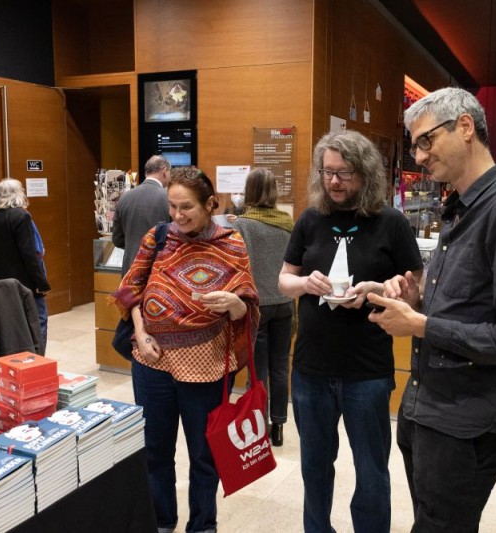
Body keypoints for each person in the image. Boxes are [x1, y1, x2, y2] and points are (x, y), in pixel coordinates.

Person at [368, 87, 496, 531]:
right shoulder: (462, 207)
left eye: (425, 140)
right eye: (414, 144)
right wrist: (417, 301)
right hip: (430, 409)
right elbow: (469, 306)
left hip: (467, 423)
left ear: (465, 127)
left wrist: (421, 325)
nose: (418, 156)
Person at [278, 130, 423, 532]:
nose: (334, 182)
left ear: (366, 173)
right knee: (315, 469)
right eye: (327, 173)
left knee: (372, 471)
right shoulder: (310, 219)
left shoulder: (390, 223)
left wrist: (379, 290)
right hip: (311, 369)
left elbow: (417, 292)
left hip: (368, 370)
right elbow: (283, 282)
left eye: (344, 173)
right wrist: (306, 283)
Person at [114, 166, 260, 533]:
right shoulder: (158, 236)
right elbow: (131, 289)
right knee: (155, 452)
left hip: (207, 368)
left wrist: (233, 303)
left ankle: (202, 525)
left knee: (204, 455)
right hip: (152, 362)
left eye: (187, 208)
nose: (177, 217)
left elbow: (247, 307)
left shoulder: (232, 243)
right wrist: (142, 333)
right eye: (172, 207)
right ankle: (162, 522)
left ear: (210, 204)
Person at [231, 168, 294, 447]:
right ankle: (279, 425)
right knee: (281, 367)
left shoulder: (242, 225)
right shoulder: (288, 222)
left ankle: (259, 424)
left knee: (258, 370)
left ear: (250, 192)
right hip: (285, 303)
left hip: (257, 306)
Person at [0, 178, 50, 354]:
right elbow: (29, 254)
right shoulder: (21, 216)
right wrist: (41, 283)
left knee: (12, 325)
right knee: (38, 321)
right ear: (17, 194)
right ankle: (37, 360)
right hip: (25, 283)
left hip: (1, 282)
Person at [112, 155, 172, 277]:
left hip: (130, 269)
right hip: (158, 271)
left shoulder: (124, 198)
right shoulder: (169, 198)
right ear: (165, 171)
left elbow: (117, 240)